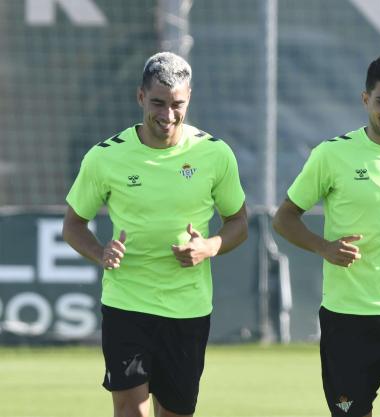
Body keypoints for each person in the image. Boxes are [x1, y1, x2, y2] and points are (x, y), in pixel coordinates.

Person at [62, 52, 248, 417]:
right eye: (158, 103)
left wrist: (208, 247)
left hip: (188, 309)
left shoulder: (215, 154)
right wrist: (101, 253)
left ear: (189, 98)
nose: (167, 115)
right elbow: (72, 225)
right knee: (131, 410)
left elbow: (239, 221)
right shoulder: (105, 158)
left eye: (176, 104)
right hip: (127, 304)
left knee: (176, 412)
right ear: (140, 97)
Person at [272, 55, 380, 417]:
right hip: (347, 318)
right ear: (365, 99)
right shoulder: (332, 155)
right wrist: (324, 247)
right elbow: (284, 218)